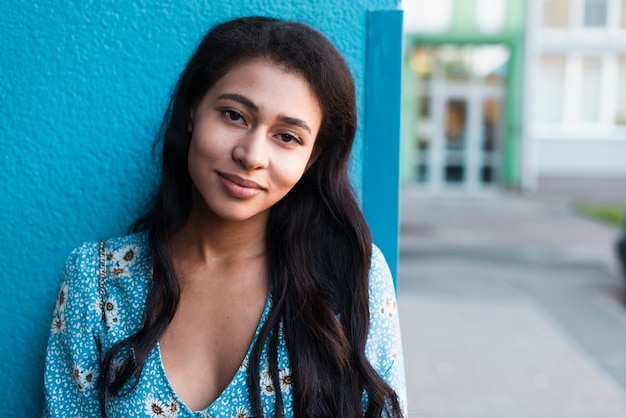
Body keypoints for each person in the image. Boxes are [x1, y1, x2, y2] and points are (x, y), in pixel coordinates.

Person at [44, 16, 406, 417]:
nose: (251, 155)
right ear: (193, 111)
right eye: (235, 115)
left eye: (287, 137)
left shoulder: (352, 277)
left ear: (312, 157)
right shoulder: (96, 282)